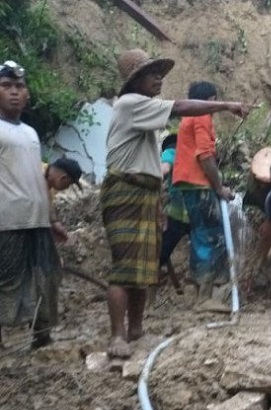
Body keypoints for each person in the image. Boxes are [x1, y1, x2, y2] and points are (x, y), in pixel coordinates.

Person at [102, 50, 252, 358]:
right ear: (135, 80)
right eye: (152, 73)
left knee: (144, 265)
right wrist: (225, 105)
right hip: (126, 191)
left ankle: (136, 329)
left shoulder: (142, 110)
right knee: (124, 267)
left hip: (145, 191)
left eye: (160, 73)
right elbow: (184, 112)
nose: (159, 79)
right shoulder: (130, 104)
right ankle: (117, 335)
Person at [0, 60, 67, 349]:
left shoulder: (30, 132)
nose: (14, 92)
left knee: (47, 276)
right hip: (7, 220)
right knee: (7, 281)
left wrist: (51, 217)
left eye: (20, 86)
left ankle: (43, 334)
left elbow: (38, 178)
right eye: (6, 86)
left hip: (37, 218)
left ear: (27, 94)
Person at [171, 80, 236, 313]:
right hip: (198, 183)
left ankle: (198, 291)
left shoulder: (188, 118)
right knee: (209, 235)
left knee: (200, 233)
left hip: (188, 182)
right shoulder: (201, 117)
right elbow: (205, 156)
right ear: (210, 101)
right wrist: (219, 188)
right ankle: (205, 296)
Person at [158, 133, 190, 269]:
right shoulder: (192, 153)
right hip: (197, 213)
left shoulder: (170, 151)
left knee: (159, 256)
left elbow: (163, 169)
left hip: (178, 215)